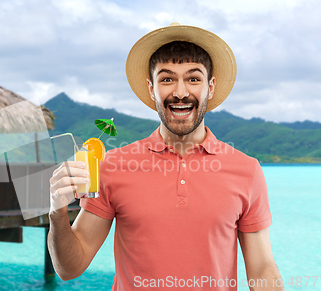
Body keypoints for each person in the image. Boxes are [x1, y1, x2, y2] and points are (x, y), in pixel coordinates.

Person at [48, 23, 283, 290]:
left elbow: (262, 268)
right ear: (151, 88)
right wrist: (56, 213)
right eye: (167, 79)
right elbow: (69, 268)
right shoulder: (113, 165)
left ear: (211, 86)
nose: (180, 92)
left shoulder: (247, 171)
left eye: (193, 79)